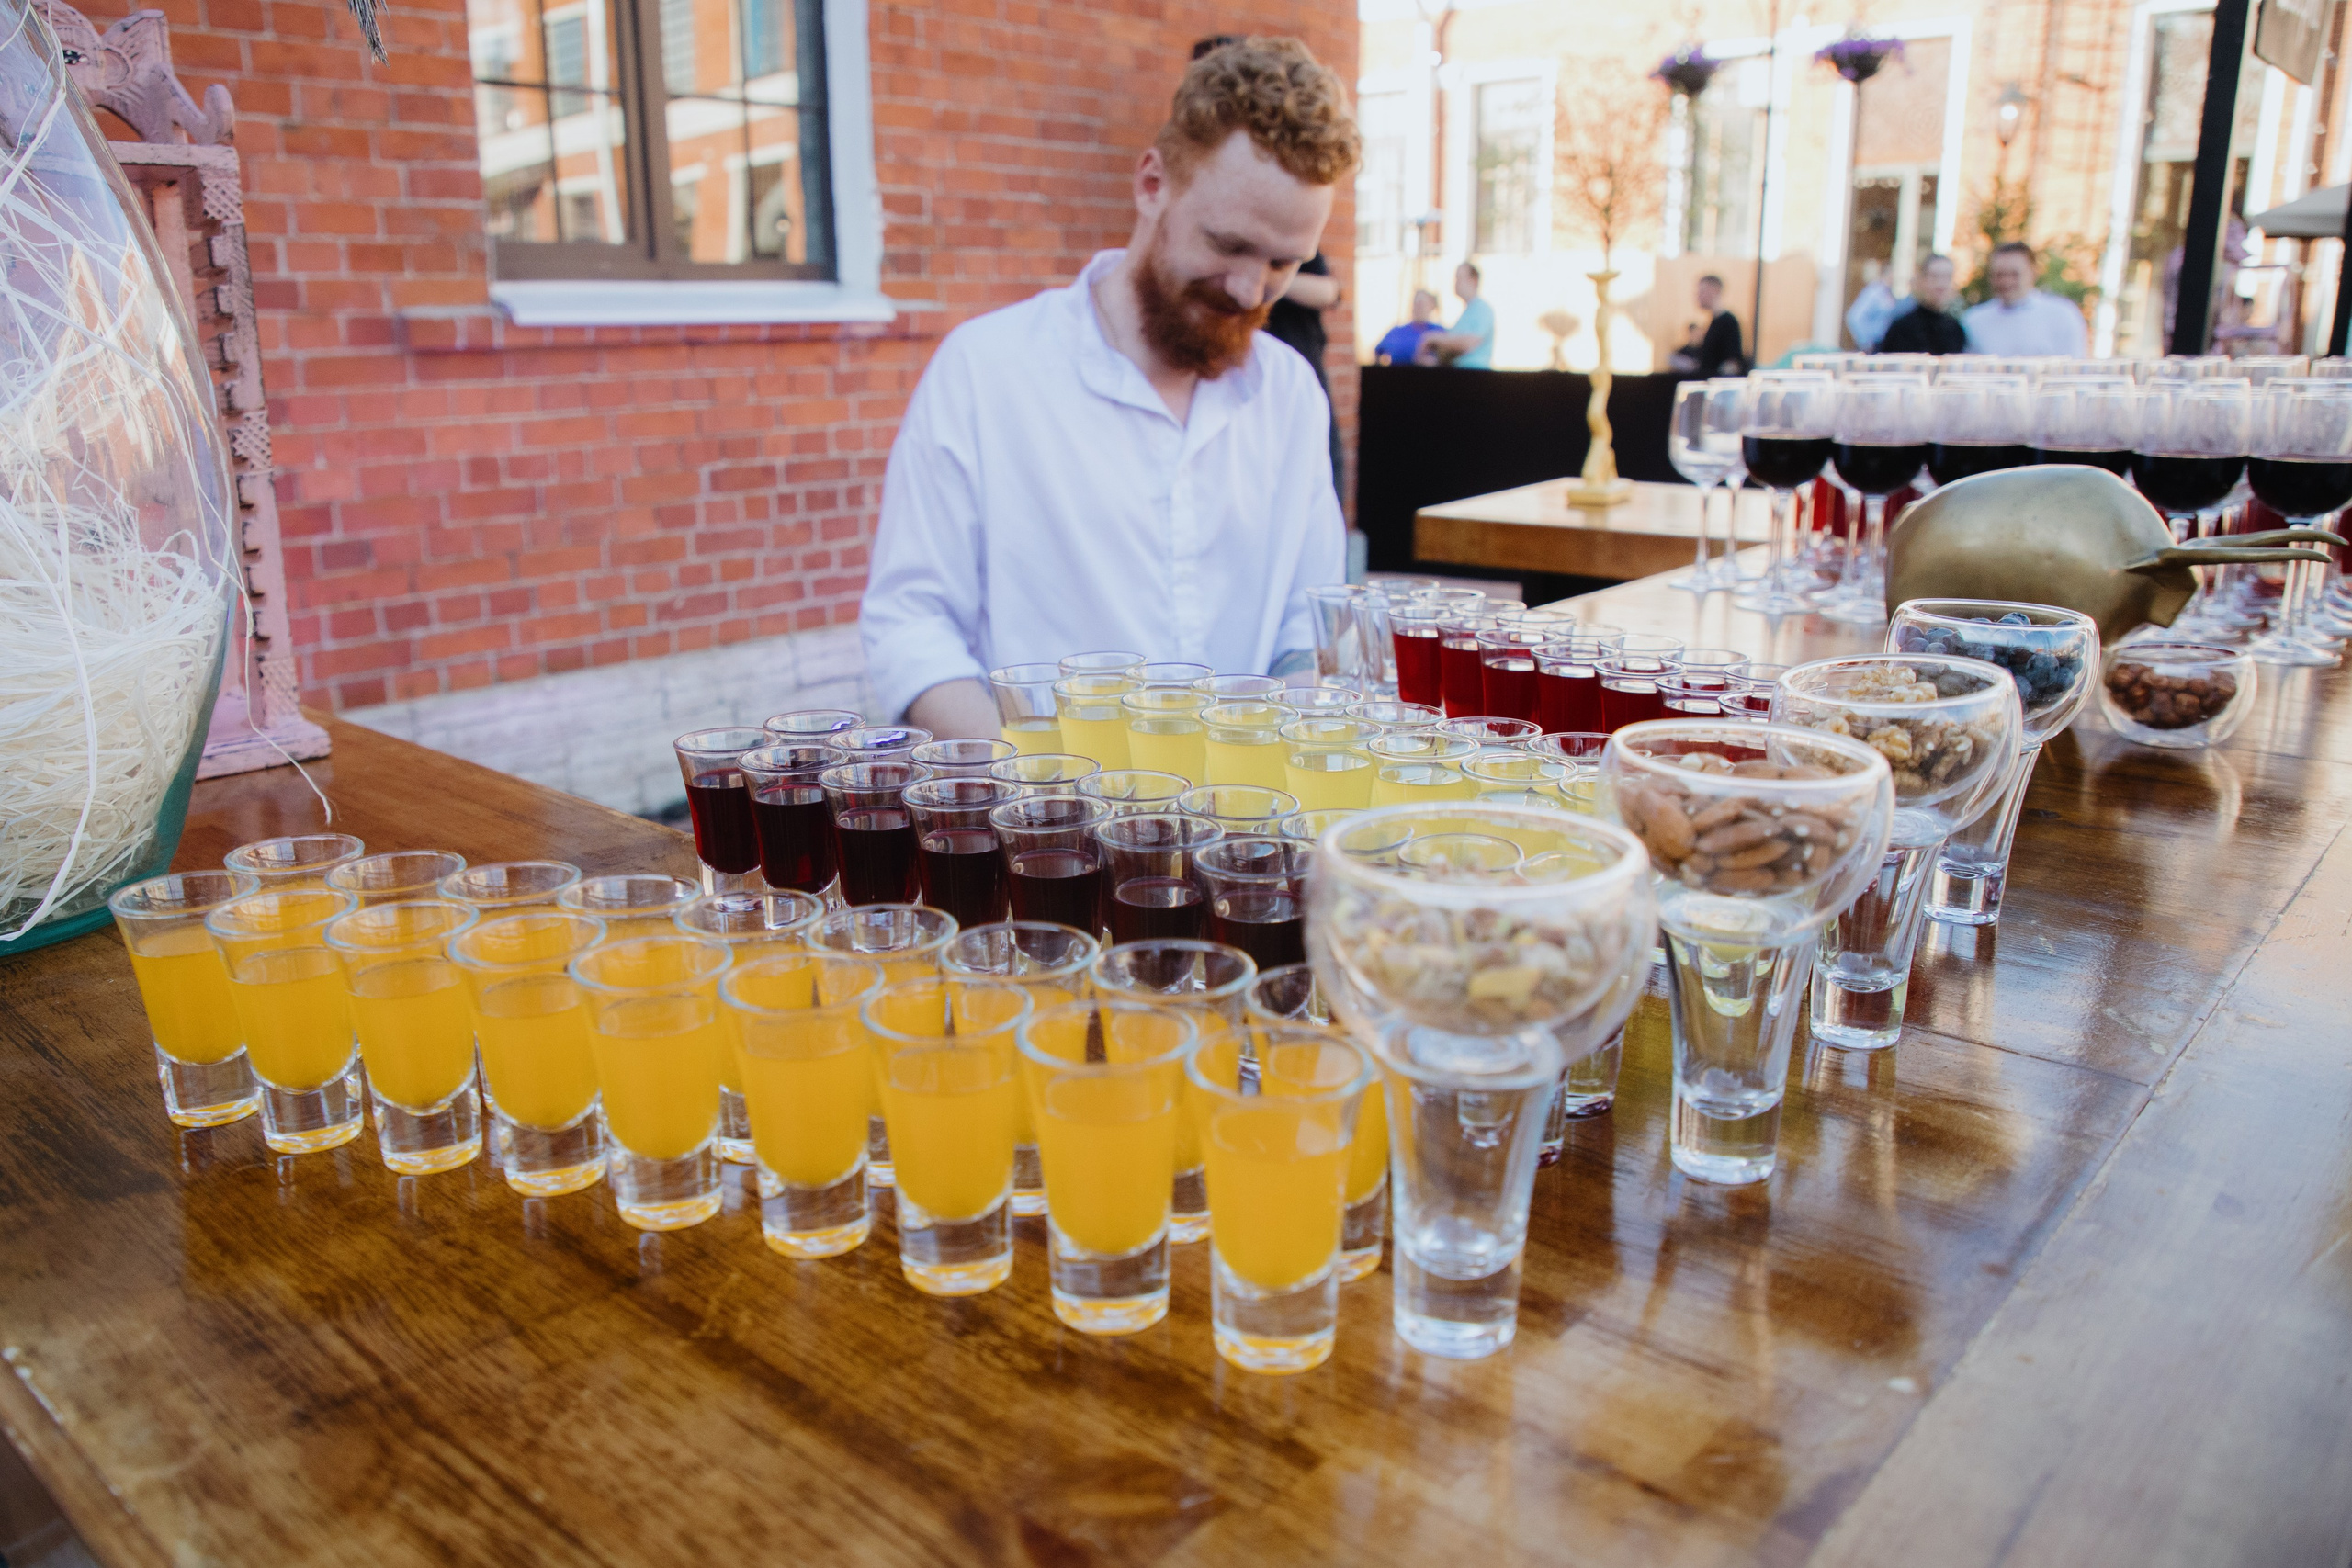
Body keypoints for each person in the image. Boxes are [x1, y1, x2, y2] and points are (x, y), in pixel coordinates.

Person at [858, 38, 1357, 736]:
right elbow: (909, 624)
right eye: (1227, 245)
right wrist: (1034, 790)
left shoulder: (1291, 395)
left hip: (1238, 834)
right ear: (1152, 184)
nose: (1250, 289)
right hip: (1036, 831)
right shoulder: (985, 370)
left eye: (1283, 261)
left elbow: (1305, 632)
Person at [1962, 241, 2086, 357]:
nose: (2006, 281)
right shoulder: (1974, 320)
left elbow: (2073, 367)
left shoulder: (2061, 314)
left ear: (2033, 273)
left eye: (2014, 274)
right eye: (1999, 275)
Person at [1877, 254, 1968, 355]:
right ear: (1922, 280)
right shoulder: (1902, 328)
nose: (1941, 284)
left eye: (1947, 277)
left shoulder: (1956, 331)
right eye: (1934, 276)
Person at [1420, 261, 1496, 367]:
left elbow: (1468, 343)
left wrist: (1434, 337)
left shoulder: (1482, 309)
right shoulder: (1467, 312)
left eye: (1459, 278)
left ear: (1473, 281)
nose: (1455, 283)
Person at [1669, 275, 1746, 376]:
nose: (1698, 296)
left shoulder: (1728, 322)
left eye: (1701, 292)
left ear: (1714, 291)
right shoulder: (1714, 321)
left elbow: (1732, 363)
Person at [1374, 289, 1441, 364]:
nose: (1417, 308)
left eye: (1421, 304)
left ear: (1432, 307)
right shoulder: (1396, 332)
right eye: (1415, 304)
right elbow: (1377, 352)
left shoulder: (1439, 332)